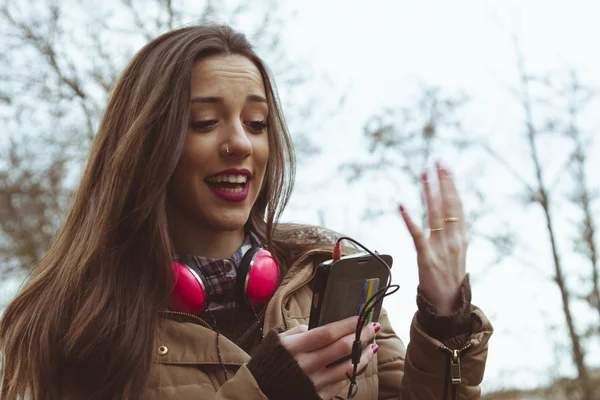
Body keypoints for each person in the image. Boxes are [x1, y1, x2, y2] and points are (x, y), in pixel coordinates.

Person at [0, 24, 493, 400]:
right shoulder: (77, 324)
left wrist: (444, 317)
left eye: (256, 123)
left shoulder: (326, 273)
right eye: (205, 122)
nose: (239, 142)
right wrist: (265, 391)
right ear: (149, 144)